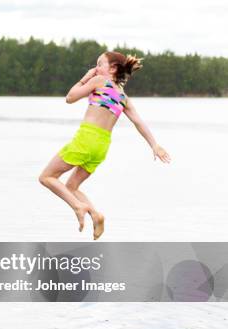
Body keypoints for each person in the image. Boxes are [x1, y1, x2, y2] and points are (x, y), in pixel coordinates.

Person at [39, 51, 171, 240]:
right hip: (102, 146)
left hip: (86, 138)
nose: (95, 68)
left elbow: (70, 97)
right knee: (72, 186)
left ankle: (78, 207)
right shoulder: (123, 96)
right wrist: (154, 145)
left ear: (113, 68)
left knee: (46, 177)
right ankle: (96, 214)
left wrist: (85, 78)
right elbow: (138, 122)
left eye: (99, 64)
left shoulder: (99, 81)